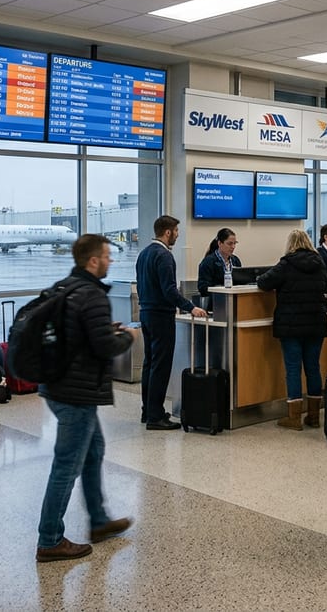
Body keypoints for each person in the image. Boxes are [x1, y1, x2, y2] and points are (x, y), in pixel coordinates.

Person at [36, 234, 140, 562]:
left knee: (94, 451)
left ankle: (98, 521)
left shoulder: (65, 287)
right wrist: (126, 336)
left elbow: (77, 335)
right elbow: (104, 347)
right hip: (77, 392)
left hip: (57, 386)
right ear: (92, 261)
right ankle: (50, 539)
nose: (110, 260)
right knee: (67, 464)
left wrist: (103, 329)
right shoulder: (92, 295)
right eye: (107, 256)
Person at [136, 215, 208, 430]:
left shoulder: (144, 254)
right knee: (160, 365)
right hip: (160, 315)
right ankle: (156, 416)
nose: (177, 234)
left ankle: (148, 410)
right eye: (176, 231)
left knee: (150, 364)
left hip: (146, 313)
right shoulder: (164, 256)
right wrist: (191, 307)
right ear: (167, 232)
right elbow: (169, 290)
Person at [256, 229, 327, 430]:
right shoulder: (319, 263)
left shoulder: (286, 264)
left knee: (293, 369)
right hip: (316, 322)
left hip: (291, 325)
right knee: (313, 367)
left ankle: (294, 417)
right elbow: (325, 286)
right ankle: (314, 416)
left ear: (290, 244)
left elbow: (263, 282)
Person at [197, 227, 241, 298]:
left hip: (235, 300)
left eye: (235, 243)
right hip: (216, 302)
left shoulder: (235, 260)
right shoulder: (209, 261)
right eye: (229, 244)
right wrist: (220, 290)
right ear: (220, 243)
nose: (233, 247)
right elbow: (203, 288)